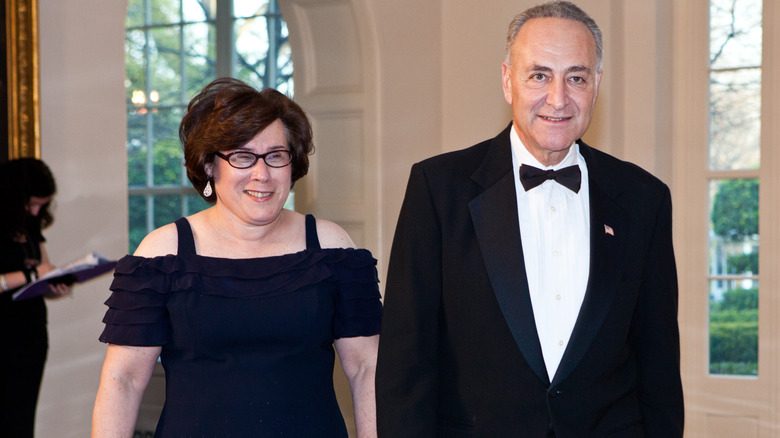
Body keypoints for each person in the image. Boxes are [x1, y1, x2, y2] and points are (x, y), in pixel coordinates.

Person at [375, 2, 684, 437]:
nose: (558, 99)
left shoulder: (644, 199)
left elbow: (659, 370)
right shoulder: (438, 188)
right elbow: (405, 364)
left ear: (596, 85)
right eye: (539, 75)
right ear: (508, 81)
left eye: (576, 77)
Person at [92, 78, 383, 437]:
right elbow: (123, 380)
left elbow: (366, 368)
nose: (262, 174)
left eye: (276, 156)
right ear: (210, 166)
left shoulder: (331, 246)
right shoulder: (162, 252)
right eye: (243, 156)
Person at [0, 158, 72, 438]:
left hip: (29, 336)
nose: (36, 211)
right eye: (32, 203)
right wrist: (30, 275)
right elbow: (28, 273)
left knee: (21, 419)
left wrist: (51, 284)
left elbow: (42, 268)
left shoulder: (29, 225)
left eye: (42, 204)